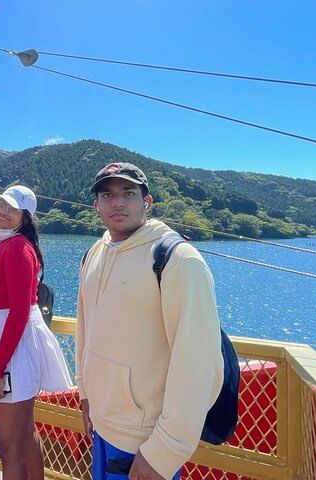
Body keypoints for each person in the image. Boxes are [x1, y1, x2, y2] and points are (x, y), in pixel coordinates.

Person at [77, 162, 224, 480]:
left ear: (147, 201)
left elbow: (199, 364)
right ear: (96, 205)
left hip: (144, 443)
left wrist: (164, 453)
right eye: (107, 195)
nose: (117, 202)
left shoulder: (177, 259)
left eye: (128, 193)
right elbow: (85, 331)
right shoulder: (93, 255)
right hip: (102, 429)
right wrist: (85, 395)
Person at [0, 185, 72, 480]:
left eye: (11, 208)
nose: (2, 211)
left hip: (13, 350)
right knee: (24, 435)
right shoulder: (8, 244)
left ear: (25, 217)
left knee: (8, 447)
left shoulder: (16, 248)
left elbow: (19, 313)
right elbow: (11, 298)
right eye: (0, 205)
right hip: (14, 344)